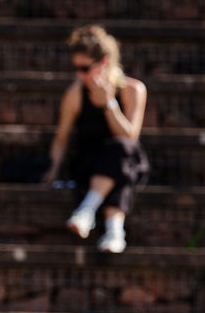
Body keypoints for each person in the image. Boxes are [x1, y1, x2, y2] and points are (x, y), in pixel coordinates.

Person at [43, 25, 149, 254]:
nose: (79, 75)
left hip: (123, 161)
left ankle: (87, 210)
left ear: (105, 63)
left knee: (123, 152)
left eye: (84, 68)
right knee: (120, 170)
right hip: (88, 164)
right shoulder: (75, 94)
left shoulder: (133, 90)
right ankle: (115, 232)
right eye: (76, 68)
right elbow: (61, 138)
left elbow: (130, 136)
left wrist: (109, 103)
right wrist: (52, 169)